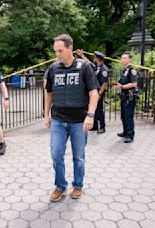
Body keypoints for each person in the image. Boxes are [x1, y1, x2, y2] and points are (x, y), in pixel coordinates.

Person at [44, 34, 99, 202]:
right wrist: (46, 114)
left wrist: (90, 115)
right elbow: (48, 92)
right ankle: (60, 186)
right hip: (58, 120)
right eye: (55, 51)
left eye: (60, 50)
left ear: (70, 49)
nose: (57, 54)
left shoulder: (84, 67)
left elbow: (94, 93)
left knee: (79, 156)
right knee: (56, 153)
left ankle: (77, 185)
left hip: (79, 121)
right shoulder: (53, 69)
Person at [77, 50, 109, 133]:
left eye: (95, 57)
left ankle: (102, 127)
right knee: (93, 109)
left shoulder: (104, 69)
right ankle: (94, 125)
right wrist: (82, 55)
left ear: (97, 59)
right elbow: (88, 62)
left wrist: (99, 94)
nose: (93, 59)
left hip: (99, 93)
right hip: (95, 92)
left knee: (99, 110)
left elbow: (104, 84)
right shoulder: (96, 67)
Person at [113, 52, 138, 143]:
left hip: (130, 97)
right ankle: (125, 132)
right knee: (123, 116)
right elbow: (122, 82)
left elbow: (134, 84)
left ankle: (130, 135)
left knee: (128, 116)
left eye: (125, 58)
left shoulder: (132, 70)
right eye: (122, 58)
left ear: (130, 59)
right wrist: (117, 85)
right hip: (124, 96)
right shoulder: (124, 70)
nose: (122, 59)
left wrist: (122, 87)